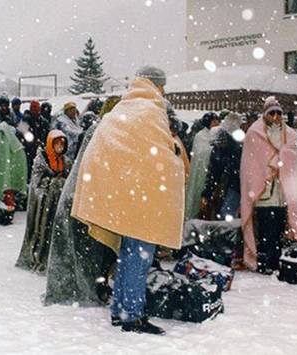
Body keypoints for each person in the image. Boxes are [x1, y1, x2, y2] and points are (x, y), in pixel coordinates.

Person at [71, 65, 184, 335]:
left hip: (124, 195)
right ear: (156, 85)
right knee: (138, 256)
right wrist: (176, 158)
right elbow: (161, 156)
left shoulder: (124, 108)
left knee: (128, 254)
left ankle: (120, 309)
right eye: (162, 85)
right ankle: (131, 315)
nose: (163, 91)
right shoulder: (150, 110)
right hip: (140, 198)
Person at [44, 96, 121, 308]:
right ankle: (89, 288)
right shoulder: (103, 131)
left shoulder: (101, 130)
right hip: (85, 199)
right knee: (88, 251)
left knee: (92, 250)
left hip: (85, 197)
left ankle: (97, 286)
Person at [240, 96, 297, 274]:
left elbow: (292, 156)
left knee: (278, 229)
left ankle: (275, 262)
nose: (276, 116)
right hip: (263, 192)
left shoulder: (290, 134)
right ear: (265, 114)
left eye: (278, 113)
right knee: (265, 230)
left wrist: (279, 161)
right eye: (272, 113)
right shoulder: (254, 133)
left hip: (282, 191)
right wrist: (276, 162)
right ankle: (263, 262)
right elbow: (252, 164)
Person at [16, 130, 72, 272]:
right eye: (57, 143)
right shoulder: (42, 160)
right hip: (42, 206)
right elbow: (36, 183)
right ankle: (36, 258)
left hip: (57, 205)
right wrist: (55, 182)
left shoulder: (66, 161)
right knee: (40, 232)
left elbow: (70, 181)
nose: (59, 147)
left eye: (62, 144)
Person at [200, 112, 243, 221]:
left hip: (237, 186)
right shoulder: (219, 150)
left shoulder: (237, 150)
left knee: (227, 213)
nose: (218, 146)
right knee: (224, 213)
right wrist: (206, 194)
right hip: (230, 185)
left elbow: (237, 174)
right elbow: (214, 173)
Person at [185, 112, 220, 220]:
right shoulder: (200, 136)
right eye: (213, 121)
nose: (216, 124)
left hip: (211, 173)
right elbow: (200, 154)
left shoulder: (218, 135)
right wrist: (212, 150)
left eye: (217, 121)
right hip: (200, 171)